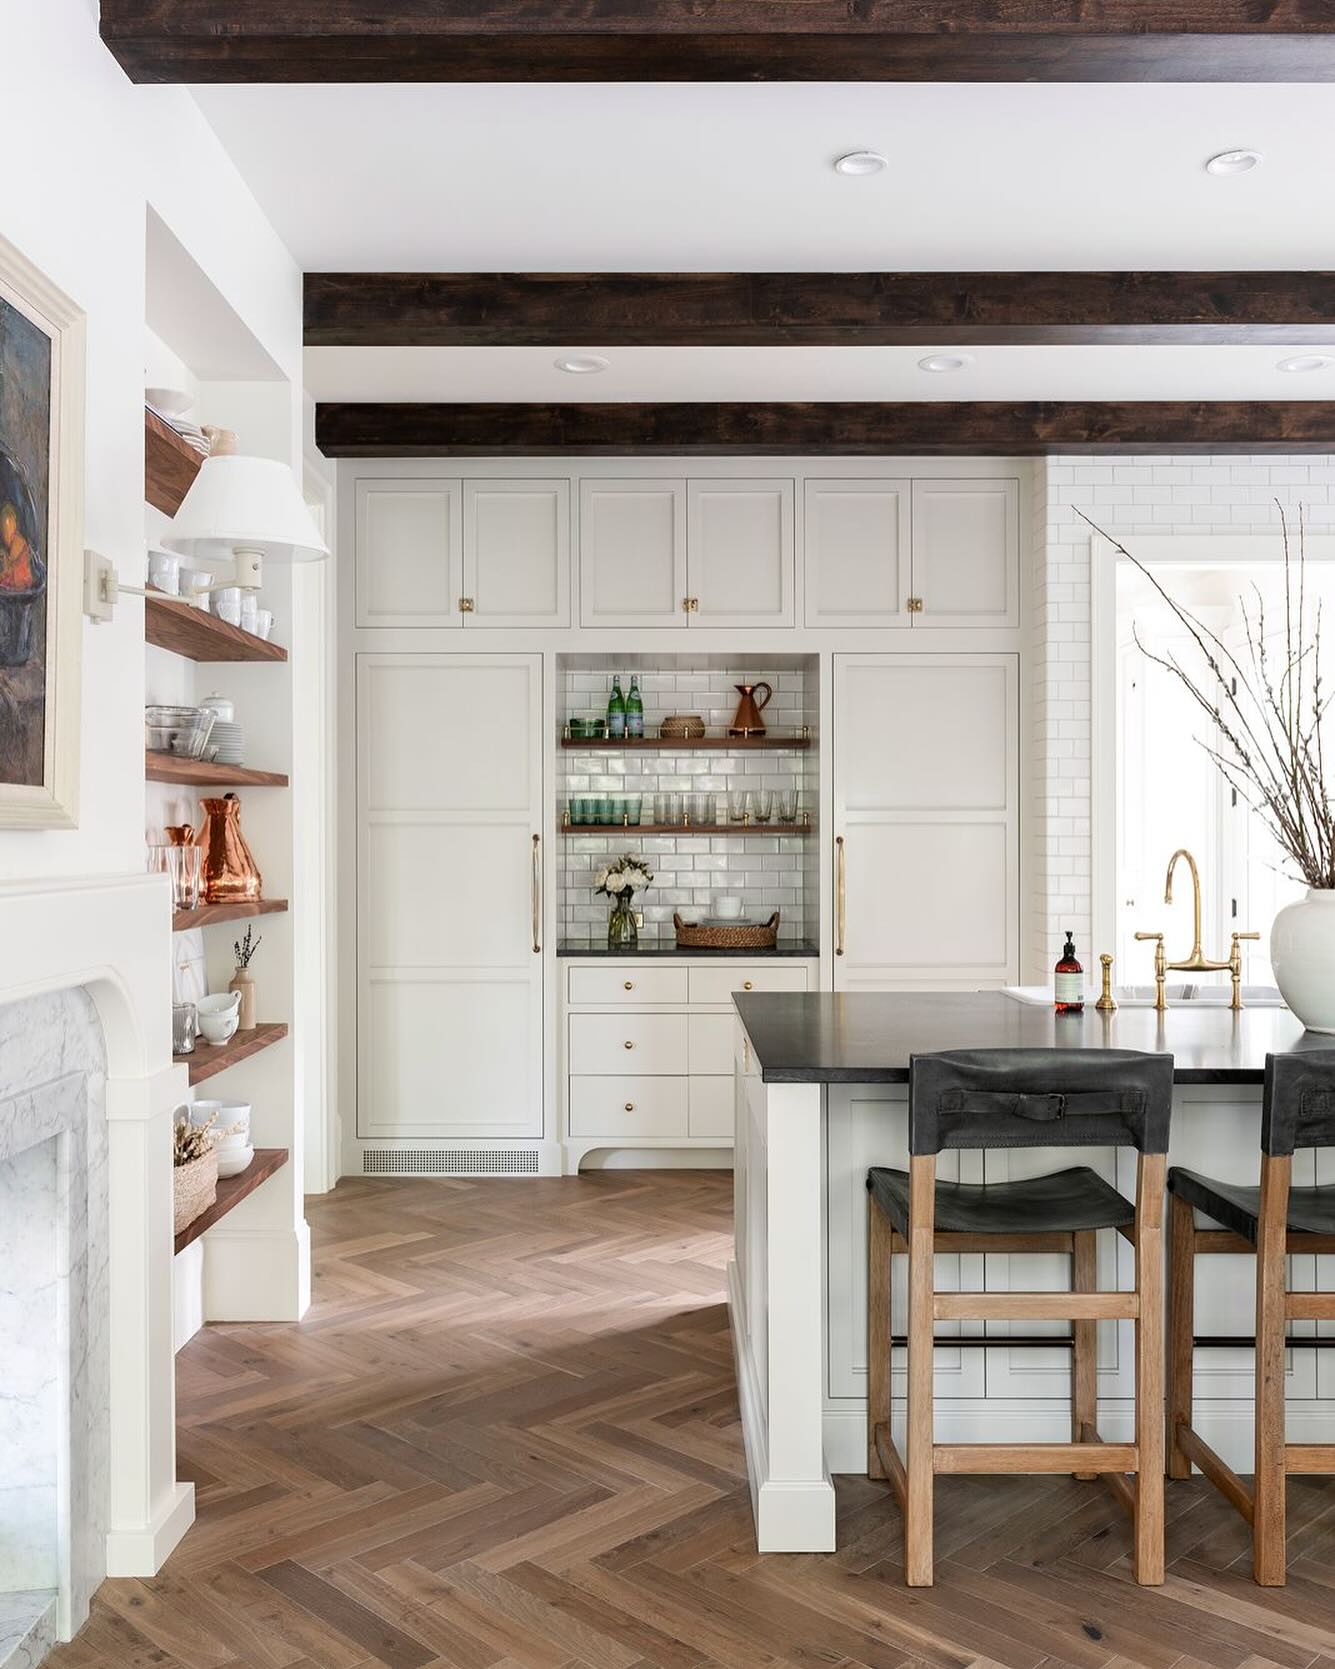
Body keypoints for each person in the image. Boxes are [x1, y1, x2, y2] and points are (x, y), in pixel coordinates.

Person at [0, 501, 35, 590]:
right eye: (4, 532)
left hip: (21, 579)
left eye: (9, 532)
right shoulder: (5, 544)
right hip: (12, 578)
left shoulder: (18, 541)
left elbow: (9, 567)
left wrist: (5, 559)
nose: (6, 537)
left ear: (15, 527)